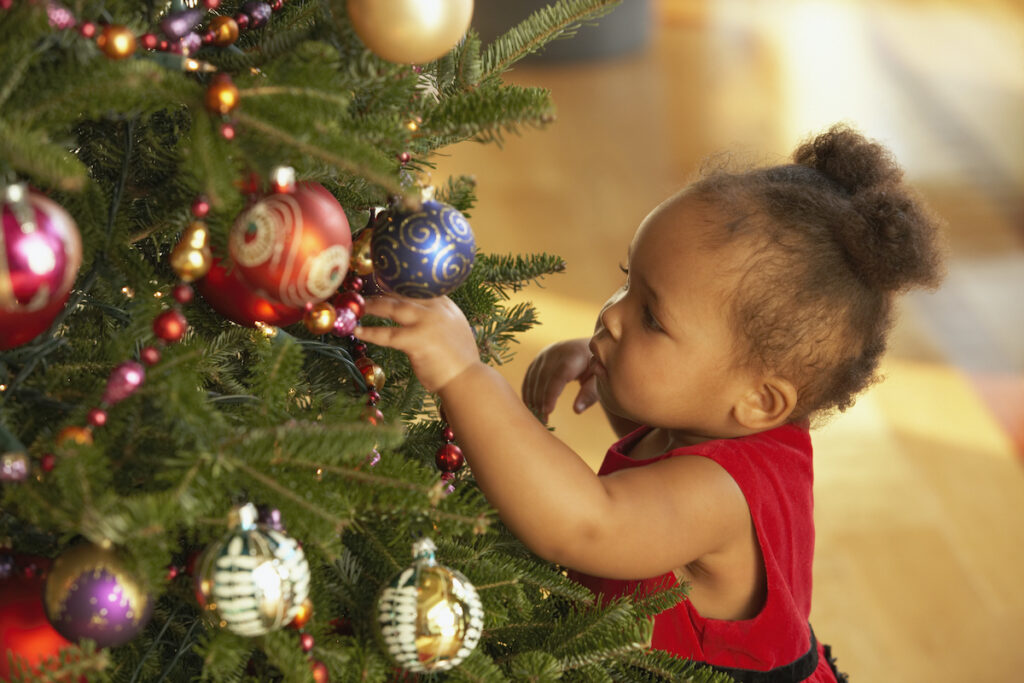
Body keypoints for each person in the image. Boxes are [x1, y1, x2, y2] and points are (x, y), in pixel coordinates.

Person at [355, 124, 944, 682]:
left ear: (759, 399)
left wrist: (465, 375)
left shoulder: (719, 498)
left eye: (651, 317)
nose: (610, 313)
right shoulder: (722, 431)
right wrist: (609, 371)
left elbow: (587, 524)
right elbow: (659, 467)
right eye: (625, 281)